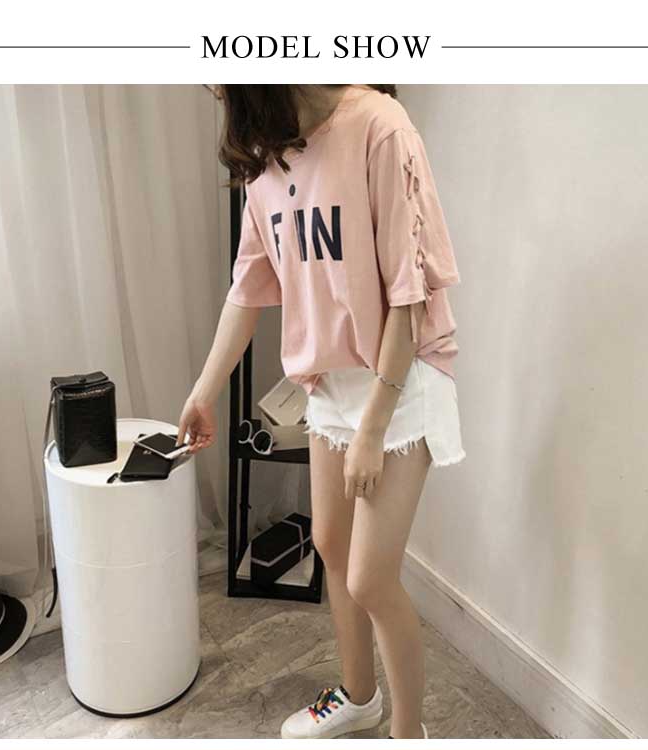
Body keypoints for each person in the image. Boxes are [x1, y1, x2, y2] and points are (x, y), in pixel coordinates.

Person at [177, 84, 465, 739]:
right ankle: (359, 698)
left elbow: (410, 293)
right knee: (332, 546)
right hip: (332, 381)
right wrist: (204, 390)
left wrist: (373, 430)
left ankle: (410, 733)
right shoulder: (266, 160)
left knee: (370, 579)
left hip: (400, 378)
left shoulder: (379, 126)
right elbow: (246, 291)